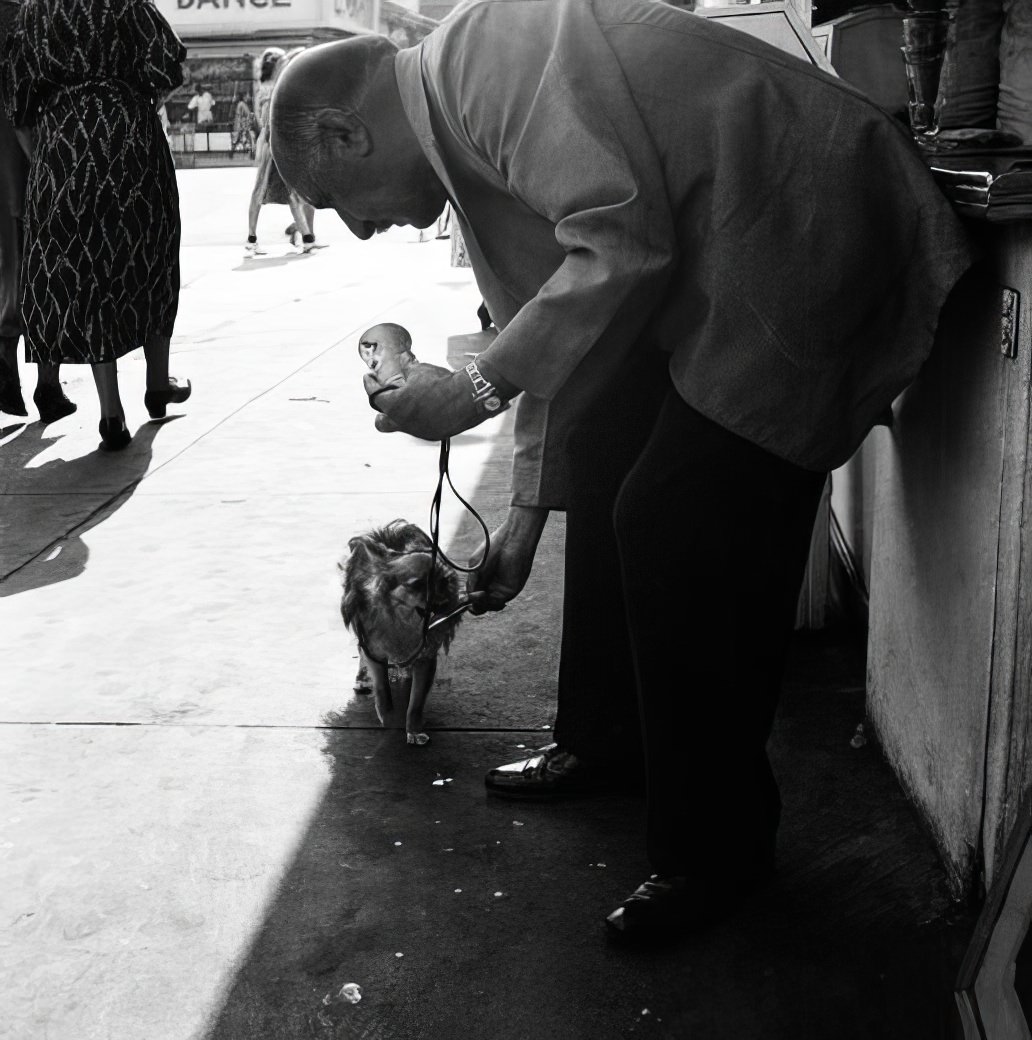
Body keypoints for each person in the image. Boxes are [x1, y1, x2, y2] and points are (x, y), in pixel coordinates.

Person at [271, 0, 973, 941]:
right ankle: (607, 741)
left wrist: (474, 392)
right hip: (719, 260)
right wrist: (521, 524)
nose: (364, 233)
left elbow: (619, 244)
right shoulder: (460, 133)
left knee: (674, 522)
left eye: (346, 205)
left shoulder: (486, 58)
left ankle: (717, 853)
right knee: (604, 457)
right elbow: (560, 343)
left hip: (805, 220)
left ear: (349, 131)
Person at [2, 0, 192, 451]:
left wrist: (50, 161)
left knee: (88, 271)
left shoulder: (33, 15)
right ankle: (157, 384)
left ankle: (111, 412)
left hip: (60, 146)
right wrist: (132, 103)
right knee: (151, 255)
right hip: (129, 134)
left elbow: (20, 109)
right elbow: (168, 67)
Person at [0, 0, 73, 423]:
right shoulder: (34, 15)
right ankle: (47, 383)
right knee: (48, 268)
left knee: (11, 264)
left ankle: (10, 370)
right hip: (31, 156)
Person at [245, 48, 317, 256]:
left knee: (277, 191)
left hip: (274, 142)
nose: (286, 65)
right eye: (283, 62)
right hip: (275, 143)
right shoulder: (274, 87)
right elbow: (269, 119)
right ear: (276, 65)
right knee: (282, 191)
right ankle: (305, 237)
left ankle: (304, 237)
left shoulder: (266, 86)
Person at [230, 93, 253, 157]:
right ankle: (251, 153)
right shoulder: (242, 104)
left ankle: (232, 152)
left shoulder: (240, 104)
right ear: (244, 97)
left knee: (239, 138)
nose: (248, 97)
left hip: (239, 123)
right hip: (241, 124)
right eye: (247, 96)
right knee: (246, 138)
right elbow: (247, 113)